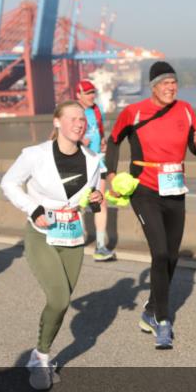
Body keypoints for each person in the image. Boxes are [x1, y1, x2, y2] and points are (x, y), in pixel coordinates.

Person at [1, 101, 104, 390]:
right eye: (73, 118)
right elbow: (9, 183)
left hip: (72, 235)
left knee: (63, 302)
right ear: (57, 122)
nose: (79, 123)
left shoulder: (92, 159)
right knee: (58, 299)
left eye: (82, 119)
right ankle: (41, 358)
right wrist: (33, 209)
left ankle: (39, 353)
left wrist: (95, 200)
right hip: (42, 234)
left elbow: (87, 200)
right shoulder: (35, 155)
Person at [105, 61, 196, 349]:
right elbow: (113, 141)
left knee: (171, 256)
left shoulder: (185, 109)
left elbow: (194, 145)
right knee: (160, 252)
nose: (171, 87)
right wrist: (110, 175)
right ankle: (163, 321)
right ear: (153, 87)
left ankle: (151, 309)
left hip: (175, 189)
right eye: (165, 83)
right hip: (144, 189)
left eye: (174, 83)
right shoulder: (133, 112)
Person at [75, 79, 116, 261]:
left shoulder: (97, 111)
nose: (91, 96)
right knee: (76, 202)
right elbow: (59, 137)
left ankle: (100, 246)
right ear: (78, 95)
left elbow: (99, 133)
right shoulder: (72, 112)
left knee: (100, 202)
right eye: (87, 93)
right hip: (78, 163)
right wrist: (77, 142)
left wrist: (103, 142)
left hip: (98, 162)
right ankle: (75, 237)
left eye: (93, 93)